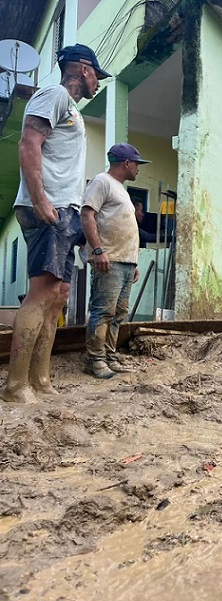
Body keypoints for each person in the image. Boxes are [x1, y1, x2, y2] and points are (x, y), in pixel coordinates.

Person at [1, 44, 111, 403]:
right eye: (96, 74)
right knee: (42, 292)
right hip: (50, 208)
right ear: (83, 70)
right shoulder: (54, 94)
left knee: (59, 295)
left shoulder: (72, 111)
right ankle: (16, 386)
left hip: (65, 211)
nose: (97, 82)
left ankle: (41, 379)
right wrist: (40, 199)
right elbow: (29, 141)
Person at [81, 143, 149, 378]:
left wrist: (134, 262)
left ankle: (108, 355)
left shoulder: (120, 189)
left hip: (125, 262)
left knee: (119, 313)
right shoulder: (102, 181)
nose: (138, 169)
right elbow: (87, 214)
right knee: (103, 311)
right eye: (137, 164)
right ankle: (95, 360)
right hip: (109, 259)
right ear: (126, 163)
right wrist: (98, 251)